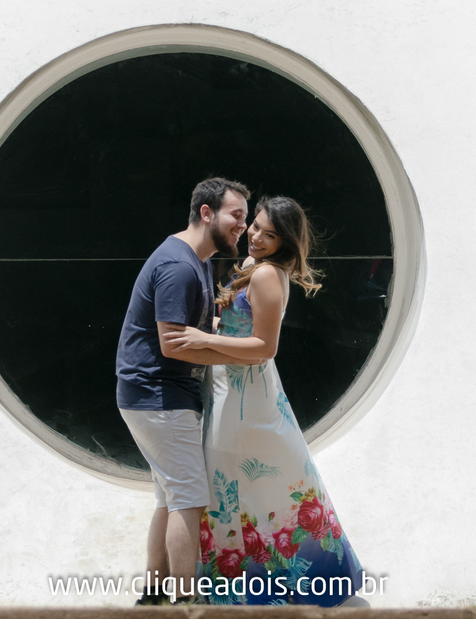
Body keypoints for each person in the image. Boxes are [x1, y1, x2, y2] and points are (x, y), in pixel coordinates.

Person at [162, 196, 364, 606]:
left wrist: (203, 338)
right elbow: (241, 327)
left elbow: (263, 346)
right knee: (251, 489)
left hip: (248, 401)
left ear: (284, 242)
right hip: (233, 392)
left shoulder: (267, 275)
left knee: (246, 489)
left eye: (269, 235)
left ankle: (257, 591)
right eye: (255, 226)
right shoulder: (253, 268)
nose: (255, 236)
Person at [116, 177, 257, 606]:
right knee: (190, 501)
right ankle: (187, 602)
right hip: (160, 397)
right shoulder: (179, 265)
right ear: (206, 212)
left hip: (153, 396)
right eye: (236, 215)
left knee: (171, 497)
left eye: (246, 218)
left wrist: (219, 328)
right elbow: (173, 342)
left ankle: (155, 596)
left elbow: (192, 332)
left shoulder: (193, 259)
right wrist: (241, 356)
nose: (243, 226)